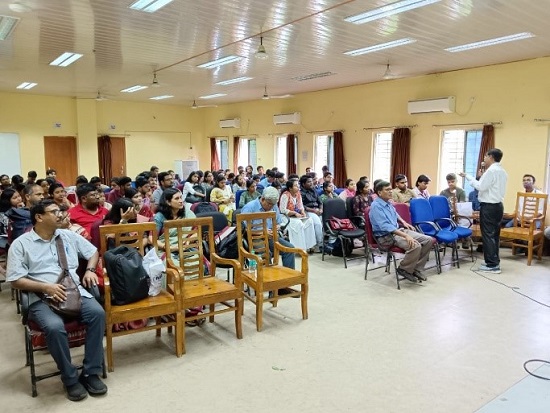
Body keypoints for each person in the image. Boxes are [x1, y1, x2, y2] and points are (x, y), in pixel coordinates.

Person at [6, 199, 107, 401]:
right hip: (41, 297)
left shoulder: (67, 236)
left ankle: (90, 372)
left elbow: (93, 252)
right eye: (54, 211)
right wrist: (46, 287)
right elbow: (16, 280)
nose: (61, 214)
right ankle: (70, 378)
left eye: (60, 210)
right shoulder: (21, 244)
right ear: (39, 217)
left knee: (97, 313)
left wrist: (88, 270)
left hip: (73, 292)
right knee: (54, 327)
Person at [369, 180, 432, 283]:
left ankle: (416, 269)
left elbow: (395, 214)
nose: (390, 191)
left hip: (398, 230)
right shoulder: (376, 206)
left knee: (428, 240)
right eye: (387, 190)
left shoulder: (388, 202)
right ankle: (404, 269)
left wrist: (403, 222)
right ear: (379, 193)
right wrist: (406, 236)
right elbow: (385, 226)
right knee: (415, 246)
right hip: (386, 236)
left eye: (390, 189)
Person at [459, 148, 507, 274]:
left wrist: (468, 177)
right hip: (498, 206)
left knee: (488, 235)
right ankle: (494, 261)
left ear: (490, 157)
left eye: (485, 156)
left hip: (489, 206)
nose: (484, 159)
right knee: (494, 235)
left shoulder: (491, 171)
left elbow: (481, 186)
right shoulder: (502, 171)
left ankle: (492, 265)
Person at [241, 187, 296, 269]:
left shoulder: (274, 206)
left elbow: (278, 223)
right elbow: (243, 230)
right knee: (266, 254)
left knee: (289, 249)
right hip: (253, 237)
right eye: (269, 204)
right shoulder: (249, 207)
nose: (271, 207)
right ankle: (267, 279)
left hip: (270, 236)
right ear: (263, 199)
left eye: (273, 205)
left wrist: (277, 227)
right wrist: (262, 232)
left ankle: (289, 277)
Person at [151, 188, 196, 269]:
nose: (181, 201)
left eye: (181, 197)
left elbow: (196, 231)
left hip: (185, 248)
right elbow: (151, 239)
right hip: (165, 250)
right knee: (175, 267)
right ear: (168, 202)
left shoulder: (187, 213)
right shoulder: (159, 217)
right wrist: (169, 247)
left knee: (198, 263)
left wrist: (188, 241)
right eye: (177, 198)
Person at [278, 179, 317, 252]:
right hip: (286, 217)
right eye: (296, 185)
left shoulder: (298, 194)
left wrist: (302, 212)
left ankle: (309, 245)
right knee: (298, 224)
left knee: (310, 220)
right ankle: (300, 248)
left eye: (298, 185)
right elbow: (282, 210)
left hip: (297, 216)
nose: (298, 187)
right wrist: (294, 213)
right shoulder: (285, 195)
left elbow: (301, 206)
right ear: (290, 188)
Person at [299, 174, 324, 248]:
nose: (311, 183)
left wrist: (321, 209)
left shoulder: (314, 190)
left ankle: (324, 242)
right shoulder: (300, 193)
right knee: (318, 224)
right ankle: (320, 244)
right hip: (308, 211)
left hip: (318, 210)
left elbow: (320, 202)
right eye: (309, 182)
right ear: (303, 184)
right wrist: (314, 210)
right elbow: (302, 206)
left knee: (326, 222)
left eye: (311, 181)